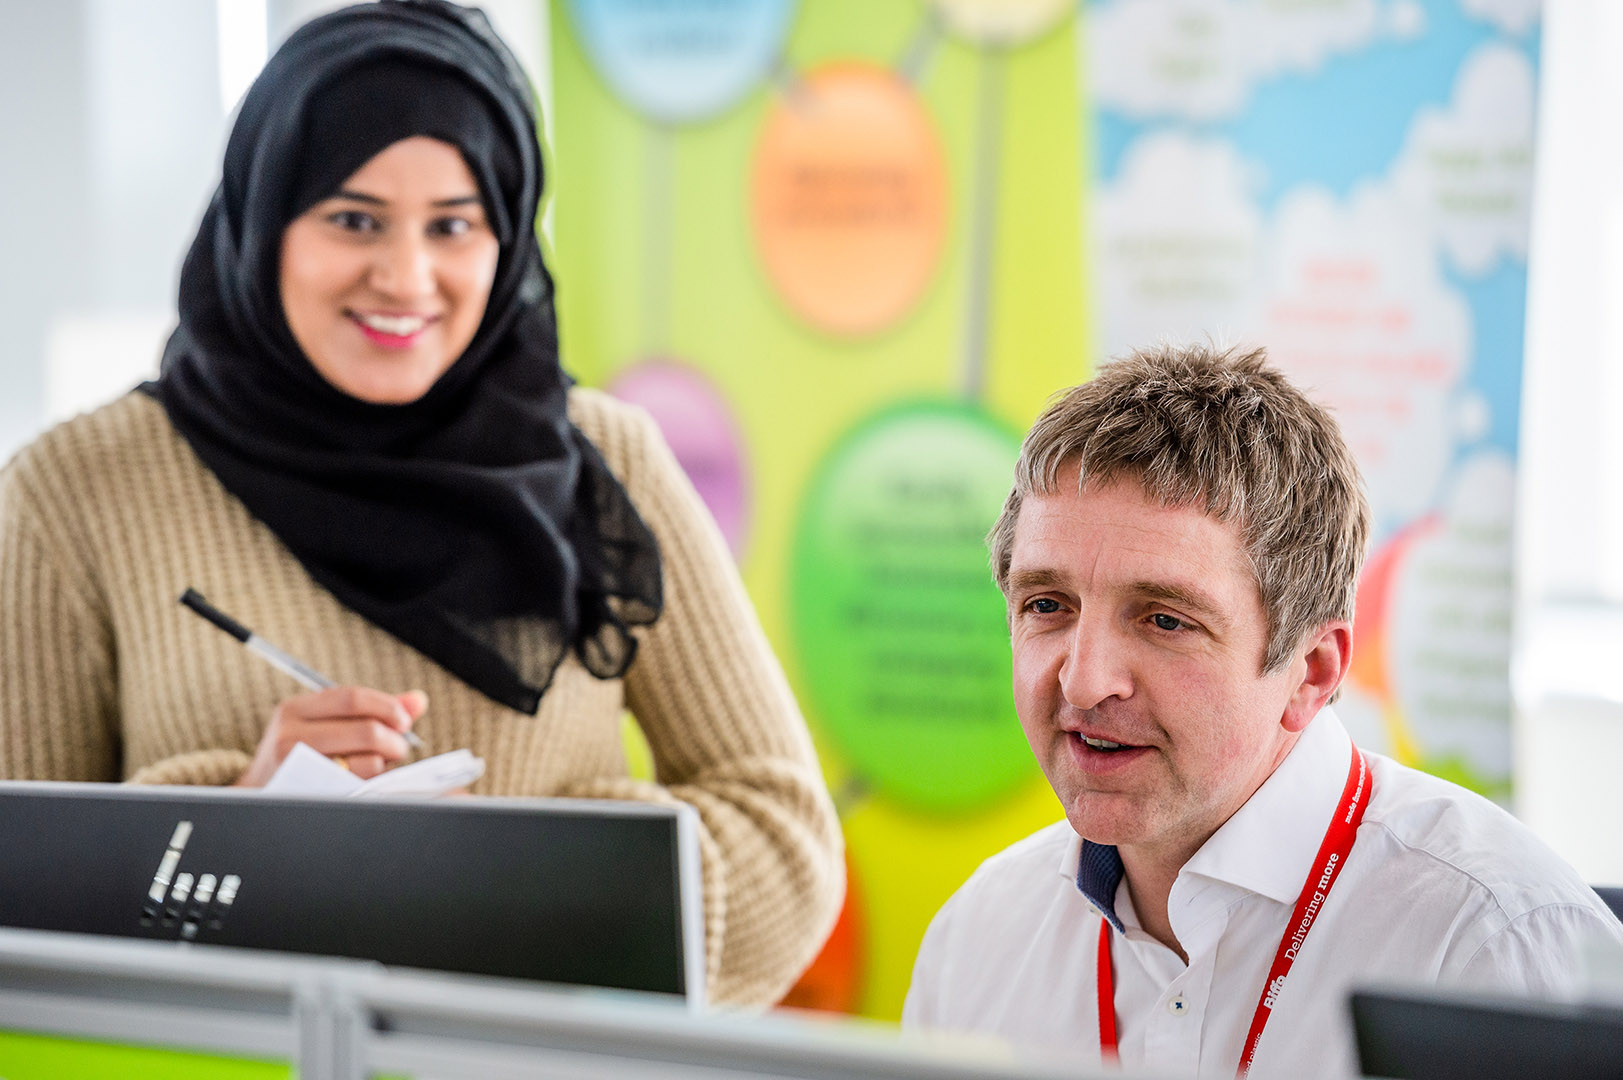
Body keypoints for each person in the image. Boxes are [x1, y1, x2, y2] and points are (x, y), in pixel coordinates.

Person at [0, 0, 841, 1009]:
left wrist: (542, 866)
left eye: (455, 225)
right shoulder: (76, 489)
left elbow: (789, 845)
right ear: (264, 219)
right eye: (353, 219)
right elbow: (22, 905)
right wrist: (241, 825)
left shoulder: (604, 456)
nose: (407, 278)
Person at [902, 344, 1623, 1075]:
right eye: (1046, 605)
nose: (1084, 683)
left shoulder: (1493, 947)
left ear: (1309, 672)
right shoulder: (979, 936)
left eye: (1164, 620)